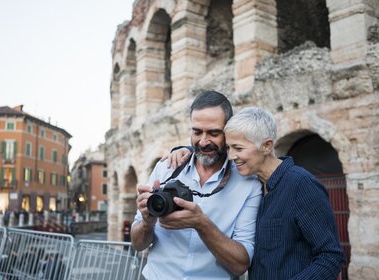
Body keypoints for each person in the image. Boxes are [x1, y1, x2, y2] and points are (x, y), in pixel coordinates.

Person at [170, 106, 345, 279]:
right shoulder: (256, 185)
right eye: (229, 148)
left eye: (238, 148)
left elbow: (331, 257)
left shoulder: (301, 184)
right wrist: (185, 150)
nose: (231, 156)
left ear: (267, 146)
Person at [131, 91, 262, 279]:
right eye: (197, 131)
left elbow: (241, 264)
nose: (203, 141)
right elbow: (138, 244)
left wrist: (201, 224)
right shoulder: (166, 168)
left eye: (214, 133)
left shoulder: (248, 183)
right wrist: (147, 221)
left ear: (228, 132)